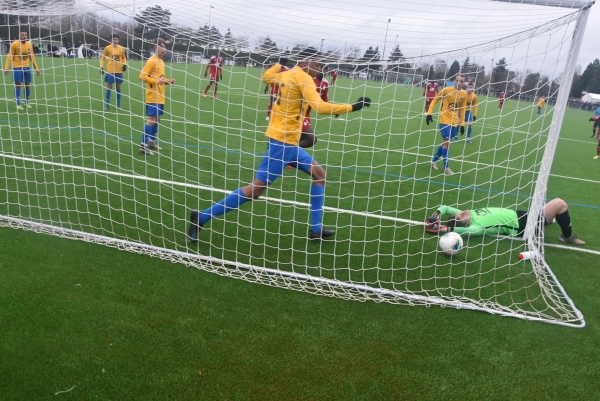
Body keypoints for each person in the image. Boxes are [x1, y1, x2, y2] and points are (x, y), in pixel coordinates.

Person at [188, 48, 371, 242]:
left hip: (287, 141)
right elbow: (320, 107)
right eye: (317, 64)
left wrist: (279, 63)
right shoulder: (304, 78)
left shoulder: (286, 74)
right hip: (283, 143)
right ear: (305, 62)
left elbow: (267, 77)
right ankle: (201, 216)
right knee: (255, 190)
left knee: (320, 175)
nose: (320, 68)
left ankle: (316, 230)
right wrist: (353, 107)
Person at [424, 198, 585, 244]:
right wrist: (441, 229)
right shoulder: (477, 226)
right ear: (465, 223)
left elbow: (445, 207)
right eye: (460, 217)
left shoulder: (470, 213)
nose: (460, 213)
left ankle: (551, 220)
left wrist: (436, 215)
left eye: (458, 214)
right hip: (525, 226)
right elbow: (466, 231)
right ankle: (567, 236)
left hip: (523, 214)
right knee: (560, 204)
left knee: (552, 206)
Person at [138, 38, 175, 155]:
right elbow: (142, 76)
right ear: (155, 48)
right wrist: (156, 81)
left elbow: (161, 79)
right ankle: (143, 145)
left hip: (161, 96)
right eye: (161, 47)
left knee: (157, 120)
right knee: (152, 120)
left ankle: (151, 141)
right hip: (153, 95)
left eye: (165, 47)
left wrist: (169, 81)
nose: (164, 49)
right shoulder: (152, 60)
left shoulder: (161, 62)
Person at [425, 74, 467, 175]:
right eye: (458, 80)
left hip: (454, 121)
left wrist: (462, 124)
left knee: (445, 142)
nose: (459, 83)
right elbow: (435, 99)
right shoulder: (446, 90)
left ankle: (433, 161)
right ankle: (446, 167)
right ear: (454, 81)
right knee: (447, 142)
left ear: (463, 82)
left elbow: (462, 109)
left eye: (461, 81)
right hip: (444, 120)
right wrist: (429, 112)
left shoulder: (464, 94)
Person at [3, 31, 40, 110]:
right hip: (17, 67)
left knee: (27, 85)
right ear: (19, 35)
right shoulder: (14, 44)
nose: (24, 36)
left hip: (26, 67)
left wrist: (36, 68)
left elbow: (32, 57)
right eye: (22, 35)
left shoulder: (29, 44)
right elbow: (9, 56)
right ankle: (18, 104)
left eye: (25, 35)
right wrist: (6, 68)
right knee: (18, 85)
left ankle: (27, 102)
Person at [100, 34, 127, 110]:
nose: (115, 40)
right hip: (110, 71)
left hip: (119, 72)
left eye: (117, 39)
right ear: (111, 40)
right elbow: (102, 58)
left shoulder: (121, 48)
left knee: (118, 87)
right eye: (114, 39)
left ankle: (118, 105)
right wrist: (101, 67)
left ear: (118, 40)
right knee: (109, 87)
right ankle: (107, 105)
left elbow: (124, 58)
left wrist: (125, 64)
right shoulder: (107, 48)